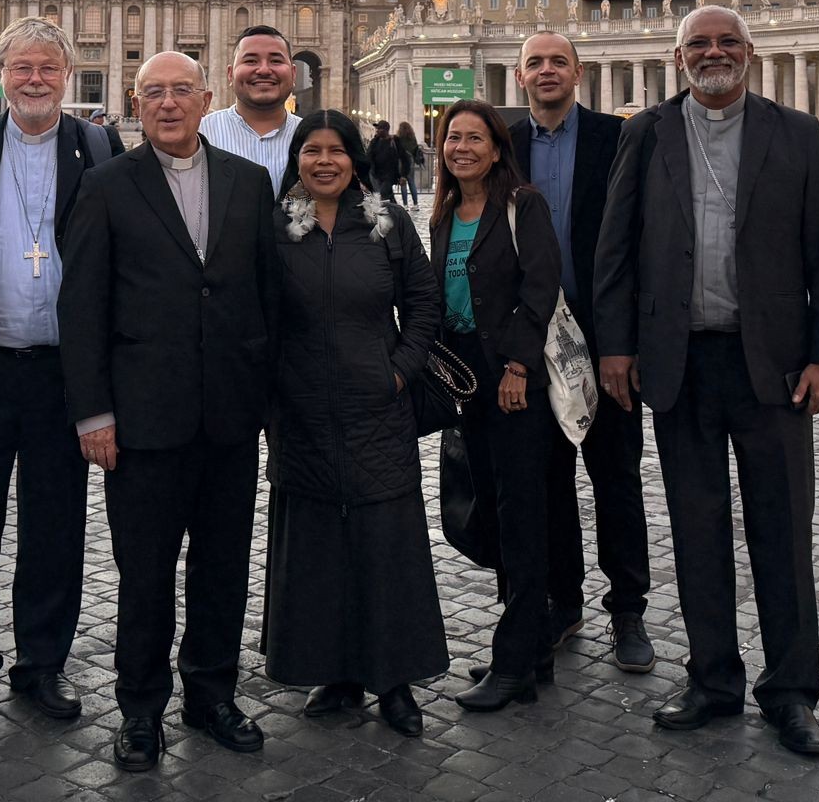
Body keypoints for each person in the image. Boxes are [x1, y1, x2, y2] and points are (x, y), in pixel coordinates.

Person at [593, 5, 819, 758]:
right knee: (696, 526)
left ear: (751, 54)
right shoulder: (645, 133)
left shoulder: (794, 131)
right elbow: (616, 247)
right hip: (680, 359)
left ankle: (792, 691)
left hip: (772, 361)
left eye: (727, 42)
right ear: (678, 60)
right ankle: (711, 679)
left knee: (783, 529)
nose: (714, 53)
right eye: (699, 44)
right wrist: (616, 346)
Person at [59, 51, 279, 772]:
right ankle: (140, 709)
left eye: (182, 91)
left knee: (222, 567)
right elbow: (83, 307)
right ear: (136, 101)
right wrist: (92, 413)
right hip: (143, 419)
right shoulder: (105, 185)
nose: (168, 104)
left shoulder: (249, 183)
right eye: (153, 93)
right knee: (144, 574)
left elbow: (266, 300)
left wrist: (267, 400)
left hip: (228, 415)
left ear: (206, 98)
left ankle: (212, 695)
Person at [0, 19, 116, 730]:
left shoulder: (96, 145)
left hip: (61, 371)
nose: (35, 80)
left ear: (66, 75)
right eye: (21, 68)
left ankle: (43, 661)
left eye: (48, 69)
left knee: (56, 525)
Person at [263, 109, 445, 737]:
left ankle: (394, 680)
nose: (323, 161)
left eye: (335, 150)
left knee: (385, 545)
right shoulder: (274, 230)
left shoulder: (389, 226)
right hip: (302, 409)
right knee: (314, 546)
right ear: (297, 162)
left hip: (378, 407)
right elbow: (257, 315)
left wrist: (399, 370)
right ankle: (332, 672)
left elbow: (423, 303)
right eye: (310, 150)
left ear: (354, 160)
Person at [508, 31, 656, 674]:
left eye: (557, 62)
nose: (546, 71)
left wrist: (624, 343)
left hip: (603, 337)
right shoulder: (502, 144)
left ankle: (628, 609)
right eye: (535, 63)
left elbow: (639, 243)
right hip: (530, 335)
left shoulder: (616, 137)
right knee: (544, 479)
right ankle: (561, 602)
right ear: (519, 78)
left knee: (616, 475)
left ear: (579, 73)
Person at [429, 98, 562, 712]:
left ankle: (514, 666)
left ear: (496, 148)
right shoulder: (444, 214)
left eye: (474, 139)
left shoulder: (522, 204)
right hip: (466, 380)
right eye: (453, 138)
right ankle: (529, 649)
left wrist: (518, 366)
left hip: (513, 380)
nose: (462, 148)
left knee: (522, 517)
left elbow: (541, 287)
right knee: (492, 509)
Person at [200, 25, 300, 197]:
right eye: (251, 61)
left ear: (293, 73)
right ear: (230, 74)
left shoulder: (314, 137)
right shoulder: (199, 134)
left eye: (276, 61)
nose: (263, 70)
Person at [365, 120, 401, 196]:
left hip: (389, 174)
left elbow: (403, 157)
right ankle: (393, 206)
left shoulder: (394, 141)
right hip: (377, 174)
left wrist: (403, 175)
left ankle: (389, 206)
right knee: (386, 196)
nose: (377, 130)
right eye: (377, 129)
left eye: (379, 128)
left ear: (385, 130)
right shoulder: (374, 141)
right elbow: (369, 155)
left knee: (383, 194)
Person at [394, 121, 423, 205]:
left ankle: (405, 204)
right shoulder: (412, 138)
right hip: (411, 161)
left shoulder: (398, 138)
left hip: (401, 161)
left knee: (403, 183)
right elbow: (415, 149)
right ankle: (415, 204)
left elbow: (397, 150)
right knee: (411, 183)